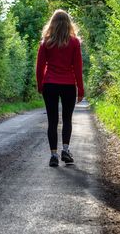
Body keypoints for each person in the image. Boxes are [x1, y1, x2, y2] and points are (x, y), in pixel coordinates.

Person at [36, 9, 84, 167]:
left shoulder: (46, 42)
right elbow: (78, 67)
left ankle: (53, 155)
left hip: (50, 84)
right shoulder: (74, 42)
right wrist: (81, 89)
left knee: (52, 121)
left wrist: (40, 84)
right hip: (69, 85)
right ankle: (65, 150)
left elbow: (40, 66)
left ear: (53, 23)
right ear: (69, 24)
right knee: (67, 119)